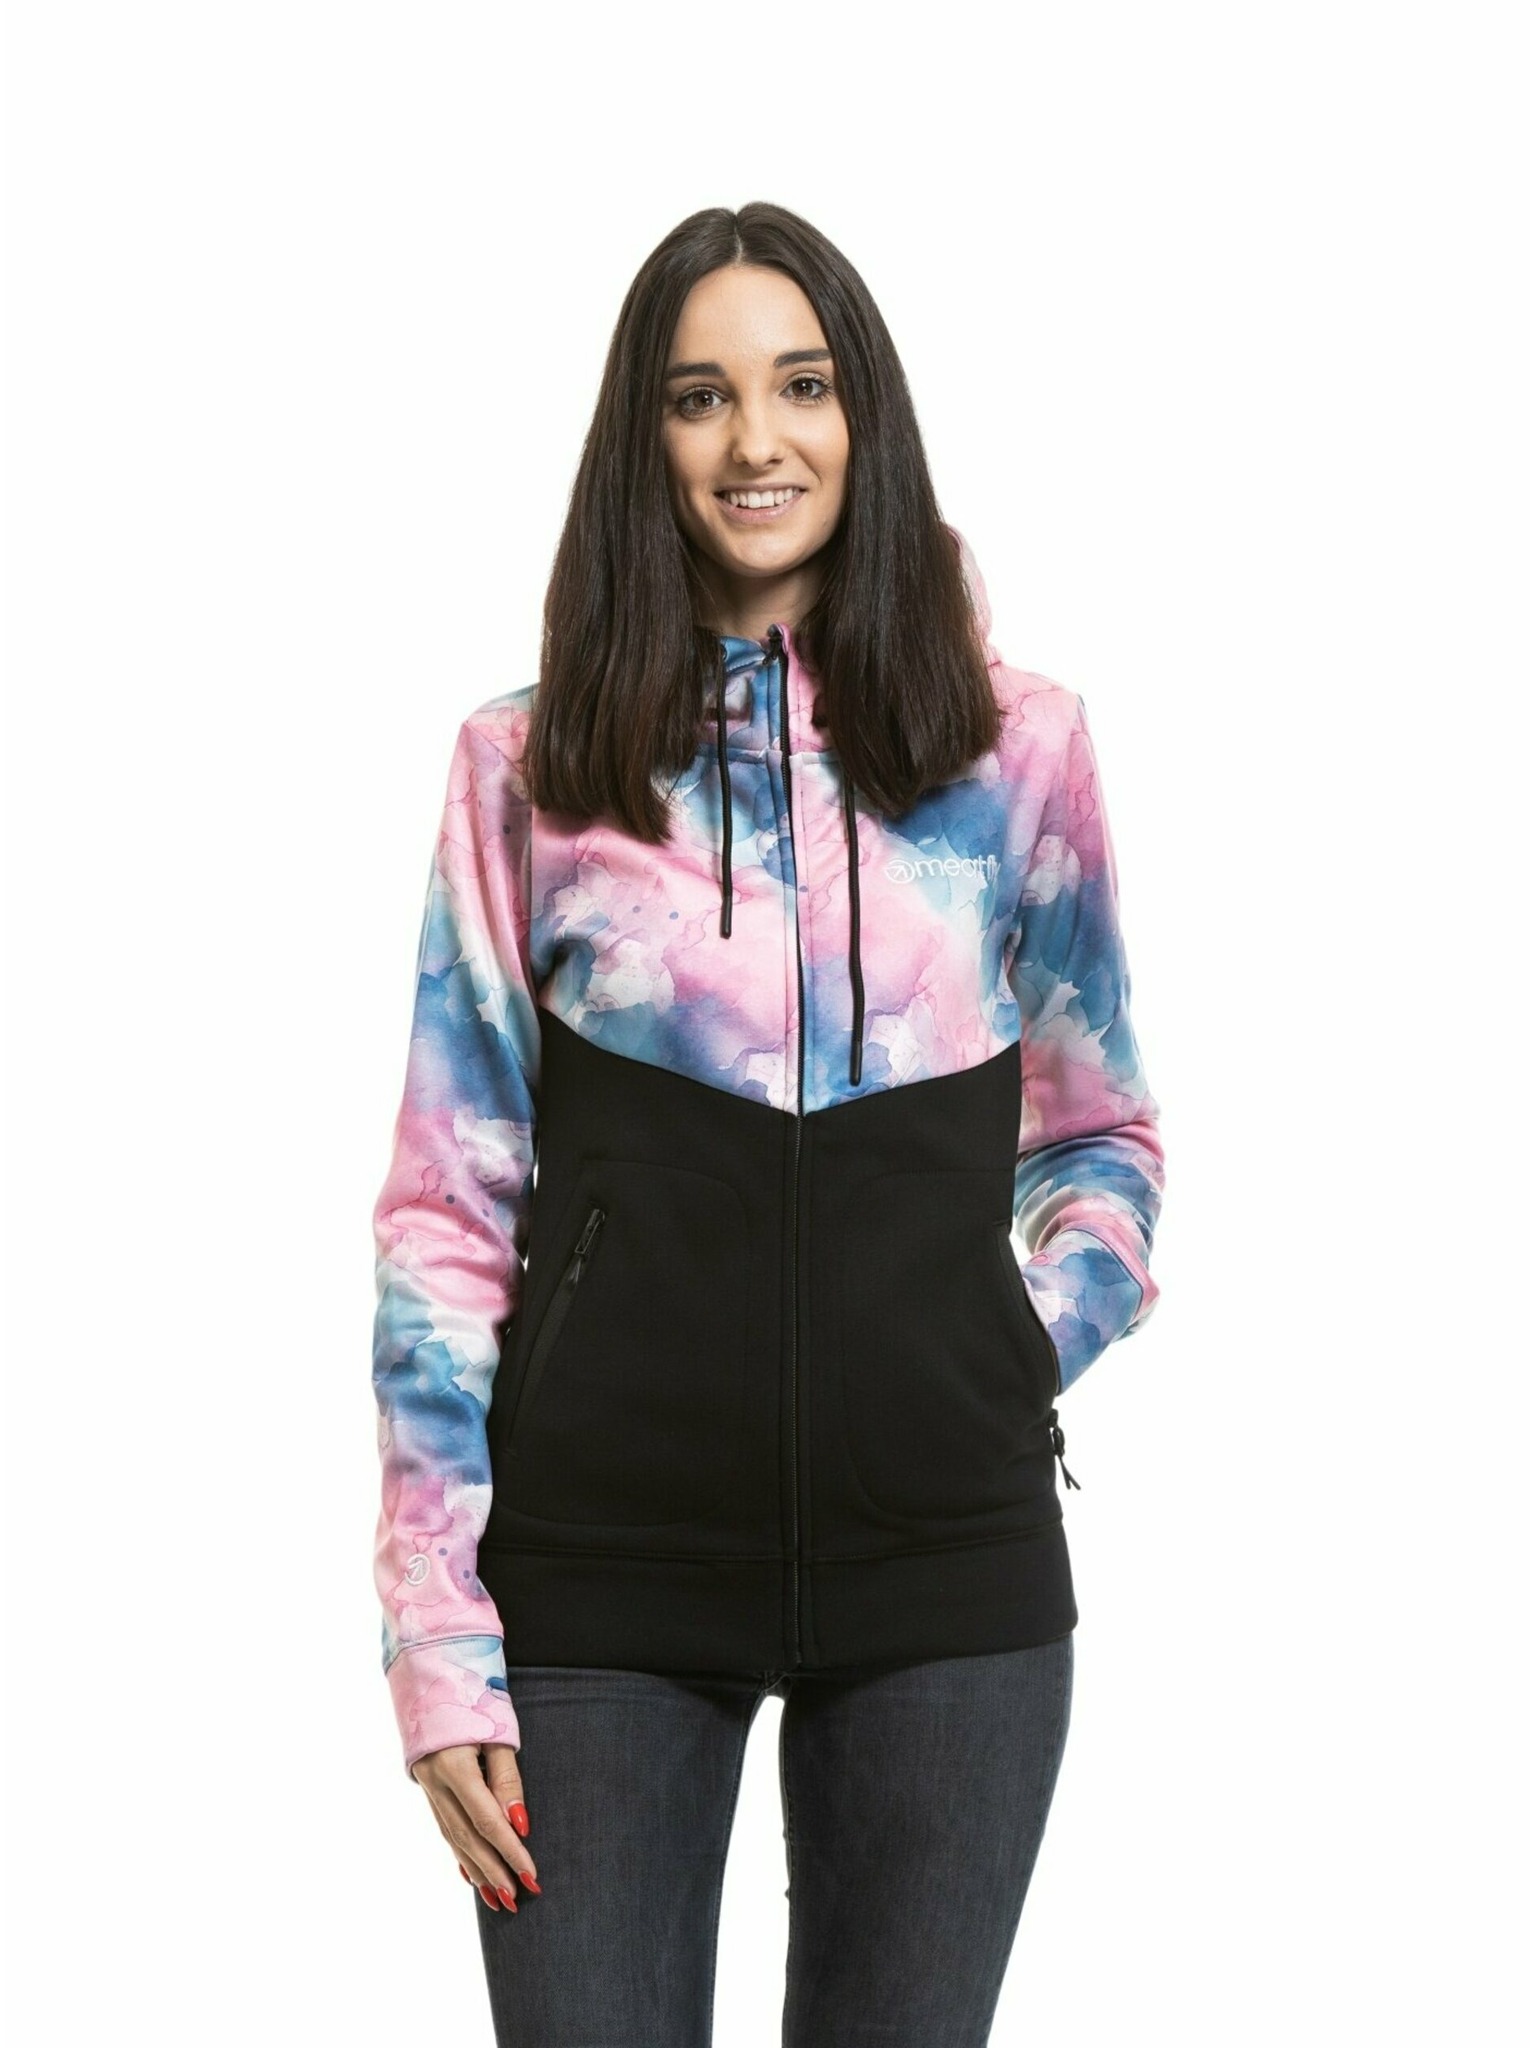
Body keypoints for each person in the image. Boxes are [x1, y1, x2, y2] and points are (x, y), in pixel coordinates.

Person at [369, 200, 1165, 2047]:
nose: (756, 440)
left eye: (802, 386)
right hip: (600, 1577)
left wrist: (998, 1343)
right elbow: (444, 1218)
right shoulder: (529, 766)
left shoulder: (1014, 750)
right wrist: (437, 1636)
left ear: (863, 417)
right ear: (641, 438)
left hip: (944, 1567)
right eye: (699, 396)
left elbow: (1103, 1135)